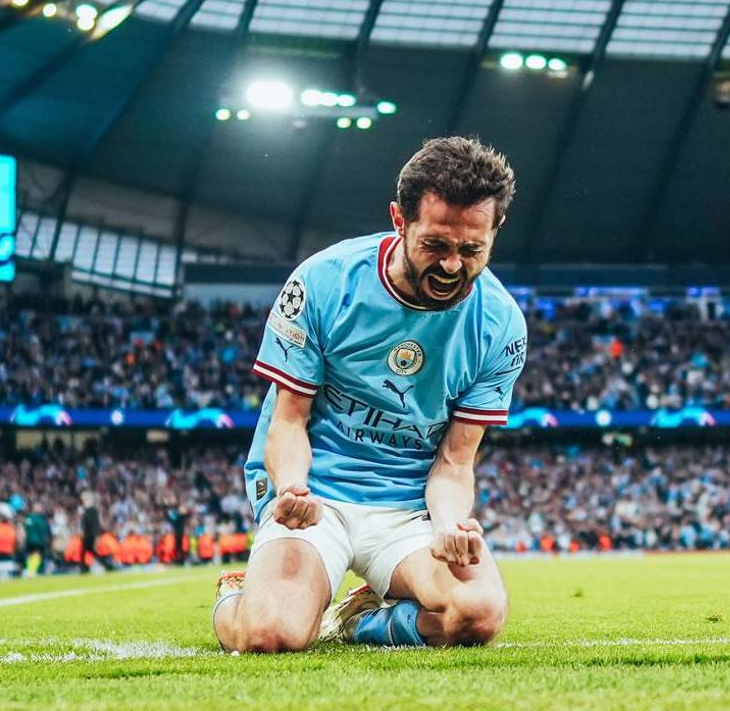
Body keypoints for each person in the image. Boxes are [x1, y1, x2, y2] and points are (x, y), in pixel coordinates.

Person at [212, 136, 527, 652]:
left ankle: (360, 621)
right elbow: (287, 422)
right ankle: (236, 598)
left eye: (472, 250)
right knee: (271, 636)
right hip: (317, 494)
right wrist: (291, 488)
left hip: (408, 510)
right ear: (400, 221)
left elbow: (454, 459)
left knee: (478, 615)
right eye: (436, 245)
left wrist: (449, 523)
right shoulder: (323, 282)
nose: (452, 266)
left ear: (496, 231)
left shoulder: (501, 323)